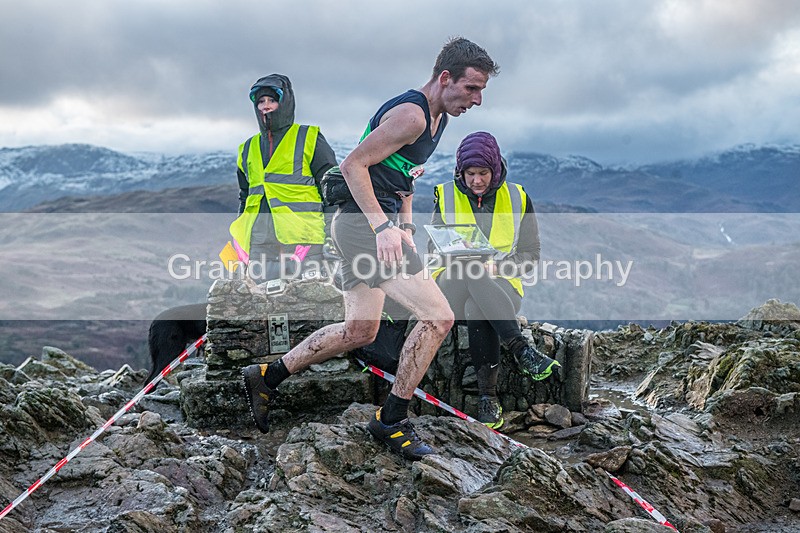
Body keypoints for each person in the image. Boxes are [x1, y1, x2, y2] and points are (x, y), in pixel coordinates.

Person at [242, 37, 499, 460]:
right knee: (438, 317)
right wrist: (382, 227)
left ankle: (267, 376)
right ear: (445, 77)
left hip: (363, 226)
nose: (477, 100)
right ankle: (391, 420)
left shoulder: (437, 119)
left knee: (359, 331)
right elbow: (352, 165)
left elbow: (405, 175)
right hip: (363, 227)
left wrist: (406, 227)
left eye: (482, 91)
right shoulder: (412, 115)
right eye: (472, 89)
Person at [430, 131, 560, 430]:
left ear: (496, 169)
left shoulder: (517, 196)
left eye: (483, 173)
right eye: (470, 173)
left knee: (479, 307)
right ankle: (520, 348)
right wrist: (456, 258)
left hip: (500, 287)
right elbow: (433, 250)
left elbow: (530, 253)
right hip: (452, 288)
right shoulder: (445, 194)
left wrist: (499, 268)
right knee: (470, 272)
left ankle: (488, 399)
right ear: (460, 171)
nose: (476, 180)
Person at [229, 74, 338, 281]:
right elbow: (245, 197)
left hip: (304, 236)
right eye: (261, 101)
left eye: (272, 100)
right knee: (263, 302)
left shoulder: (308, 138)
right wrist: (240, 236)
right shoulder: (247, 148)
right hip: (258, 240)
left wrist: (331, 234)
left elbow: (333, 190)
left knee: (309, 301)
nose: (266, 106)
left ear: (285, 103)